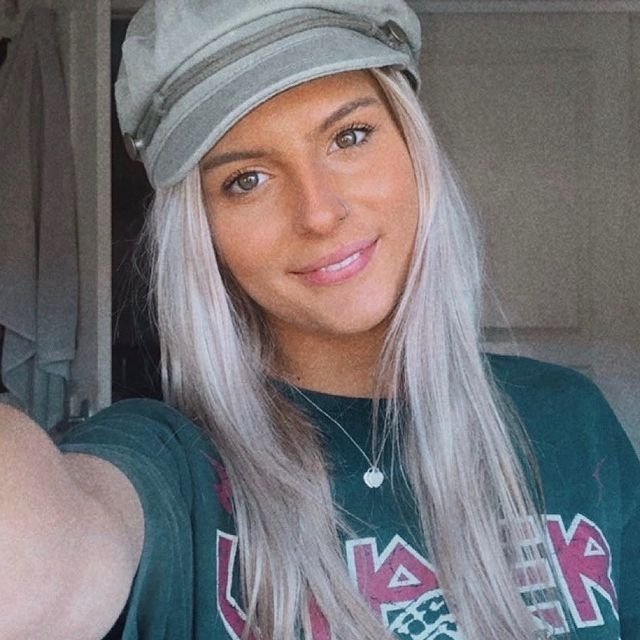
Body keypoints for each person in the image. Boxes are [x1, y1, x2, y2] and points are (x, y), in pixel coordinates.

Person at [0, 1, 638, 639]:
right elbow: (33, 573)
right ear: (202, 232)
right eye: (247, 179)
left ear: (414, 145)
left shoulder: (572, 421)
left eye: (349, 137)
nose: (319, 212)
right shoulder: (172, 469)